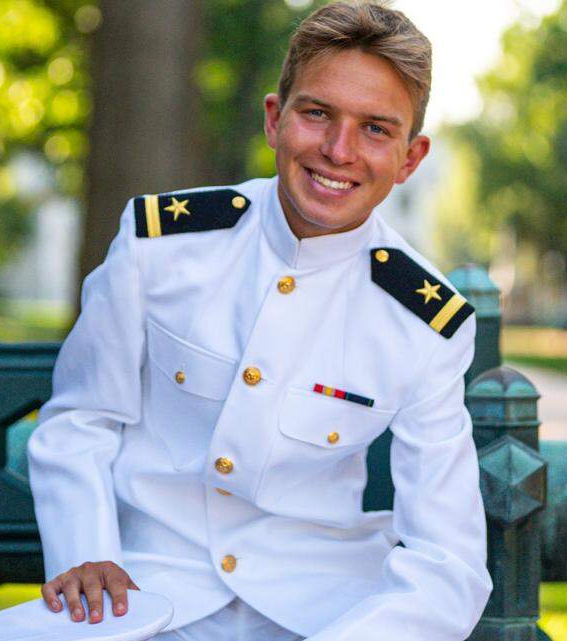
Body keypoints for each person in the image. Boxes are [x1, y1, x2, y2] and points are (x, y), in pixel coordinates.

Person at [26, 2, 492, 640]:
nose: (338, 150)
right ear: (276, 119)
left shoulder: (422, 319)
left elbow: (448, 561)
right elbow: (81, 418)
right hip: (143, 598)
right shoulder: (161, 245)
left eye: (376, 130)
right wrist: (85, 552)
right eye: (317, 113)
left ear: (410, 160)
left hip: (320, 614)